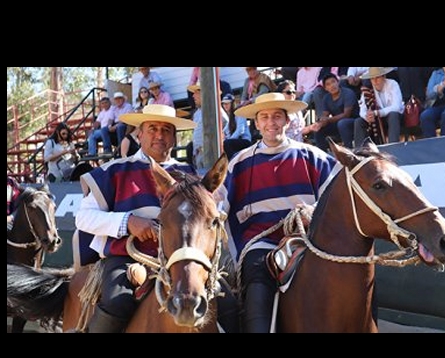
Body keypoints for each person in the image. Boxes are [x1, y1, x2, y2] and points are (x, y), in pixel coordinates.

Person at [75, 104, 240, 333]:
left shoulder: (189, 175)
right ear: (139, 133)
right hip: (127, 259)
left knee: (229, 305)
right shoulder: (113, 171)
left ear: (174, 137)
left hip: (182, 261)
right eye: (152, 129)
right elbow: (83, 218)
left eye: (166, 130)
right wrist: (128, 222)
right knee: (117, 301)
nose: (159, 135)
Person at [225, 92, 340, 333]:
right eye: (264, 117)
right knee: (257, 282)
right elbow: (218, 205)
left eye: (277, 116)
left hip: (308, 240)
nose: (271, 123)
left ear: (287, 121)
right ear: (256, 123)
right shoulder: (239, 162)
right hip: (260, 242)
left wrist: (315, 212)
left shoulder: (312, 156)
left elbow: (339, 196)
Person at [353, 67, 404, 145]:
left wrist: (377, 113)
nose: (375, 81)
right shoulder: (367, 89)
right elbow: (362, 111)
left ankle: (393, 147)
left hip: (394, 117)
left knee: (393, 115)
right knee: (358, 121)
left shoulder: (392, 84)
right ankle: (360, 152)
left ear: (384, 76)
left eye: (377, 77)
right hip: (375, 119)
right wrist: (367, 116)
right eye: (372, 78)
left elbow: (397, 107)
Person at [221, 93, 251, 159]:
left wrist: (229, 139)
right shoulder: (230, 116)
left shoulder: (239, 113)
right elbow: (225, 131)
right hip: (236, 141)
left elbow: (240, 130)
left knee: (227, 143)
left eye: (227, 103)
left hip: (245, 141)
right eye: (223, 103)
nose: (225, 105)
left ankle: (233, 162)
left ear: (232, 104)